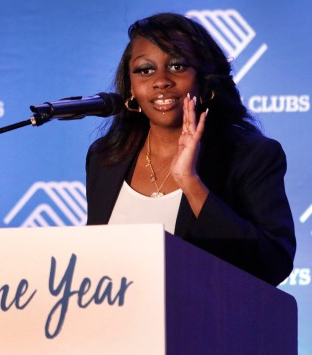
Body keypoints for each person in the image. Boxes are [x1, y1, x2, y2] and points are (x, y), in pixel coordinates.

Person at [85, 13, 296, 286]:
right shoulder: (107, 157)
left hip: (204, 323)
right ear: (131, 88)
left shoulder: (250, 156)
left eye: (177, 66)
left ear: (206, 82)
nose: (160, 81)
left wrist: (192, 184)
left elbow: (273, 264)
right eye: (145, 70)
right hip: (115, 323)